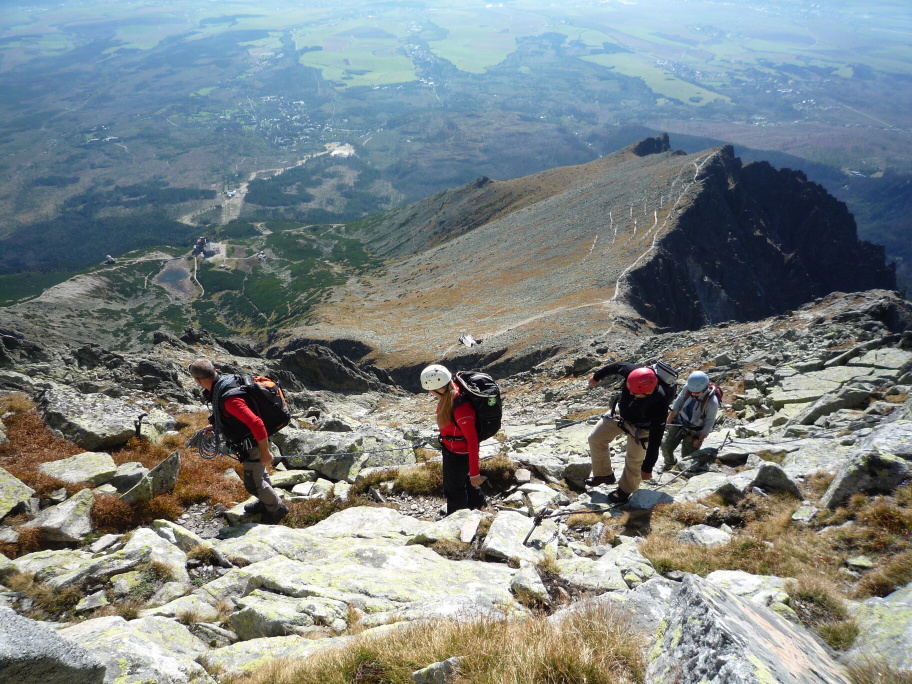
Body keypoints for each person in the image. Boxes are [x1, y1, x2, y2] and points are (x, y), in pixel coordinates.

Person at [188, 358, 289, 524]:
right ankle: (266, 502)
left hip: (254, 443)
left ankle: (277, 509)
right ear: (214, 369)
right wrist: (215, 426)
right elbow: (233, 417)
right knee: (259, 474)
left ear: (197, 380)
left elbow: (256, 423)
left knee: (253, 484)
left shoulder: (229, 399)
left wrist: (266, 452)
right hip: (252, 439)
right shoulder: (225, 383)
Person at [585, 362, 669, 504]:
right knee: (596, 438)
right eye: (629, 389)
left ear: (649, 391)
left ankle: (625, 489)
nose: (630, 393)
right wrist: (596, 377)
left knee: (634, 460)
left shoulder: (660, 403)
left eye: (636, 393)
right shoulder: (631, 371)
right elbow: (614, 367)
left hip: (642, 428)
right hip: (620, 416)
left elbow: (656, 439)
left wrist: (647, 468)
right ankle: (604, 474)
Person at [420, 364, 486, 516]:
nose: (430, 393)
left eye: (430, 390)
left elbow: (472, 440)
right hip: (451, 450)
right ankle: (478, 508)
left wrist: (475, 472)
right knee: (467, 483)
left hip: (459, 454)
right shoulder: (449, 394)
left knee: (454, 488)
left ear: (437, 388)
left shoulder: (461, 407)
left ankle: (456, 519)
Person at [661, 371, 720, 470]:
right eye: (692, 392)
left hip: (695, 431)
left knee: (687, 458)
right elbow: (679, 401)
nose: (693, 394)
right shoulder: (688, 388)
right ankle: (670, 464)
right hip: (681, 422)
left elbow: (710, 422)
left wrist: (700, 439)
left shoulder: (712, 402)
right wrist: (670, 417)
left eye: (696, 393)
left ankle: (683, 472)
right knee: (665, 446)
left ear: (704, 387)